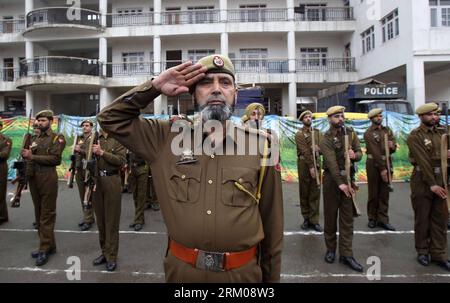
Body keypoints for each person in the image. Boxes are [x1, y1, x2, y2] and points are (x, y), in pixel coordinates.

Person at [97, 54, 283, 282]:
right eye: (206, 82)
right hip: (183, 274)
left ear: (235, 94)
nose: (216, 89)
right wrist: (154, 86)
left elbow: (273, 229)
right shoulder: (164, 137)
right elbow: (110, 119)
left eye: (225, 83)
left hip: (241, 277)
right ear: (193, 93)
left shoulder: (262, 145)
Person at [319, 106, 363, 272]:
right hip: (332, 180)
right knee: (331, 216)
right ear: (329, 119)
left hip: (348, 179)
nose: (340, 119)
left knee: (347, 219)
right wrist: (340, 183)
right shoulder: (326, 138)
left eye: (342, 116)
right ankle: (331, 249)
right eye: (336, 116)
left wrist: (355, 156)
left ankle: (346, 254)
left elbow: (359, 152)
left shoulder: (350, 133)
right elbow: (331, 162)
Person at [407, 102, 450, 271]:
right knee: (423, 218)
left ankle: (439, 253)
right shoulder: (415, 136)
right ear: (421, 116)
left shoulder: (443, 133)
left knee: (440, 219)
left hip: (443, 179)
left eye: (436, 114)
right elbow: (424, 161)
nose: (434, 117)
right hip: (423, 181)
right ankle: (423, 251)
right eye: (430, 115)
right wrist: (432, 184)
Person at [22, 110, 66, 266]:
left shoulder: (57, 138)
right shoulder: (34, 138)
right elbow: (28, 159)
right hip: (35, 178)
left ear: (51, 121)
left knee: (47, 214)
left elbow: (55, 159)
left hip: (48, 177)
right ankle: (50, 245)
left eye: (43, 120)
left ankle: (44, 248)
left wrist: (31, 156)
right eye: (38, 120)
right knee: (39, 212)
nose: (39, 123)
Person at [91, 129, 126, 272]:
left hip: (112, 180)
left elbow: (121, 161)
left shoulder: (117, 139)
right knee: (100, 220)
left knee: (111, 221)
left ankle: (111, 256)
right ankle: (104, 252)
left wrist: (102, 153)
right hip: (96, 181)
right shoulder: (94, 137)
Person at [364, 108, 397, 231]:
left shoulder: (387, 130)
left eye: (380, 116)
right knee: (373, 192)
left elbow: (393, 145)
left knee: (384, 192)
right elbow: (375, 152)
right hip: (374, 163)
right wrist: (383, 169)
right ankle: (372, 218)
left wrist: (392, 146)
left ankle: (383, 219)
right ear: (372, 119)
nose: (379, 118)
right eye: (377, 116)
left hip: (387, 161)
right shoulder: (368, 133)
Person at [295, 110, 322, 232]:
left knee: (315, 191)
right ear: (302, 120)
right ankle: (306, 218)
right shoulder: (299, 134)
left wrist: (318, 149)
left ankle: (314, 220)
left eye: (310, 117)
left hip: (317, 162)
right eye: (306, 117)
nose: (308, 118)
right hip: (304, 164)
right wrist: (311, 167)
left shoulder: (317, 133)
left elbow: (323, 148)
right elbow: (305, 151)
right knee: (304, 191)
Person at [74, 119, 96, 231]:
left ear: (91, 127)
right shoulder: (79, 138)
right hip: (80, 169)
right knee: (82, 194)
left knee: (88, 195)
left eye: (87, 125)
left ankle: (88, 219)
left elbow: (92, 153)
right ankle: (87, 216)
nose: (85, 127)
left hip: (89, 169)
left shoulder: (94, 138)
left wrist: (80, 150)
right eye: (83, 125)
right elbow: (76, 154)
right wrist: (75, 168)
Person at [128, 150, 149, 231]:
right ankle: (140, 218)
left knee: (141, 195)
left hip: (142, 167)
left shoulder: (142, 139)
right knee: (135, 195)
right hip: (133, 168)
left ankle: (138, 220)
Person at [0, 120, 12, 225]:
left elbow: (4, 154)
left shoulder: (6, 140)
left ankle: (2, 216)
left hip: (1, 168)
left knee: (0, 193)